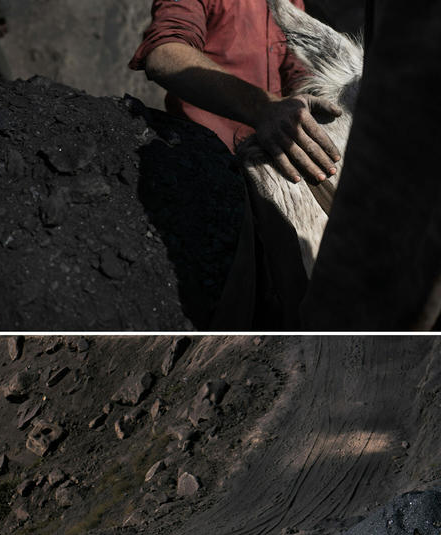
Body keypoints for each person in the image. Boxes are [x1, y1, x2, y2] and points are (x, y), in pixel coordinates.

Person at [128, 0, 346, 327]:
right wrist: (264, 109)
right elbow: (164, 53)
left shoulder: (287, 2)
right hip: (214, 163)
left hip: (274, 153)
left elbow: (298, 73)